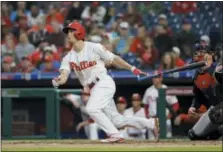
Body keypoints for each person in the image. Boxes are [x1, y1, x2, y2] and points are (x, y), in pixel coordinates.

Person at [52, 20, 159, 143]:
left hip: (103, 83)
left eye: (71, 31)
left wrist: (132, 69)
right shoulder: (68, 57)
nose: (68, 34)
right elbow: (64, 74)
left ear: (79, 33)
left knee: (92, 108)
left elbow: (114, 59)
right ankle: (151, 123)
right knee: (116, 120)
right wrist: (59, 80)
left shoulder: (94, 47)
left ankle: (115, 135)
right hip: (93, 89)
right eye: (68, 32)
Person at [188, 44, 223, 140]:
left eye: (204, 53)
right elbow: (199, 97)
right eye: (198, 54)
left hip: (219, 109)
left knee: (218, 112)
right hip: (215, 110)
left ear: (211, 55)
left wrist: (212, 70)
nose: (201, 57)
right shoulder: (196, 77)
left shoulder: (218, 68)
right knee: (193, 135)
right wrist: (193, 106)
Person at [142, 71, 179, 139]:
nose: (154, 79)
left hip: (165, 119)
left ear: (161, 78)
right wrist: (147, 116)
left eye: (156, 77)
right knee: (152, 141)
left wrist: (170, 115)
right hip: (153, 119)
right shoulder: (148, 90)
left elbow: (176, 104)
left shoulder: (167, 89)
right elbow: (145, 105)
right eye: (153, 77)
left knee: (166, 140)